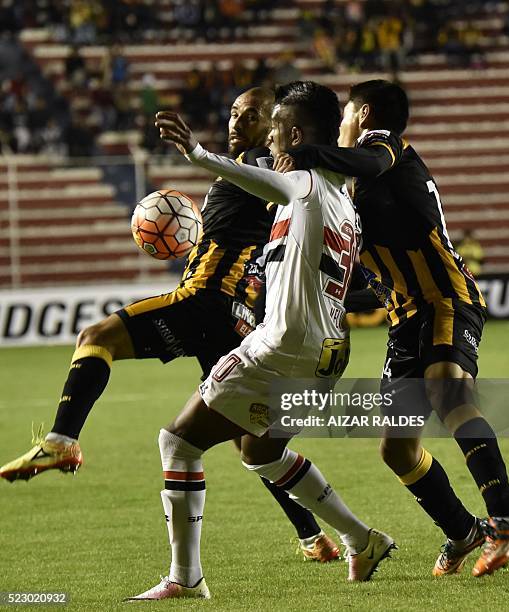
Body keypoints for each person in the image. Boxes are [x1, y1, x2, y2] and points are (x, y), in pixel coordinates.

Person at [0, 87, 340, 564]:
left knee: (95, 338)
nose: (236, 121)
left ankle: (61, 442)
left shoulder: (266, 168)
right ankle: (314, 537)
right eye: (234, 111)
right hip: (237, 318)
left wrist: (206, 158)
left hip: (205, 300)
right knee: (253, 443)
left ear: (276, 125)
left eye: (252, 116)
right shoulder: (262, 173)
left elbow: (273, 179)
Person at [125, 81, 395, 600]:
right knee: (260, 452)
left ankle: (186, 578)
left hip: (284, 346)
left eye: (273, 130)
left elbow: (259, 179)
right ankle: (361, 540)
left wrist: (198, 154)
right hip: (327, 352)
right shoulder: (338, 194)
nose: (267, 141)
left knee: (178, 442)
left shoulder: (307, 182)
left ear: (293, 133)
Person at [275, 79, 509, 578]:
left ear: (364, 115)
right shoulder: (346, 186)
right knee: (397, 447)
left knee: (448, 390)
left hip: (444, 297)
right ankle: (462, 530)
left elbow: (368, 162)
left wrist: (307, 154)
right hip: (404, 315)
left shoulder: (382, 146)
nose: (342, 122)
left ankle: (507, 520)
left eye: (346, 113)